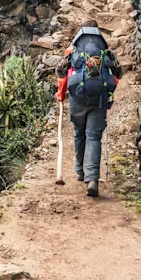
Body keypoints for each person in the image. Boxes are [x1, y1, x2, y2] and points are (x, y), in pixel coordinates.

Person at [55, 19, 122, 197]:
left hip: (78, 98)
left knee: (79, 133)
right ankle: (92, 179)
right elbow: (118, 74)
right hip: (99, 99)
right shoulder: (105, 51)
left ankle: (80, 172)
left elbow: (62, 74)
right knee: (93, 136)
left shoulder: (73, 50)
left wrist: (61, 95)